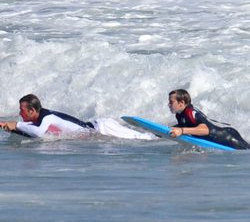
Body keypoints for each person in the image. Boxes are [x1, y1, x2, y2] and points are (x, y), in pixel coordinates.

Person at [0, 94, 153, 140]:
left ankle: (160, 136)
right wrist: (11, 128)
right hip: (98, 132)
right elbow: (36, 135)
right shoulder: (39, 121)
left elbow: (39, 133)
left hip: (103, 127)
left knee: (144, 139)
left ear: (32, 110)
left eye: (22, 110)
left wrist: (17, 125)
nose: (20, 114)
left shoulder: (47, 117)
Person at [168, 89, 250, 150]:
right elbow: (186, 125)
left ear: (181, 103)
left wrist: (181, 131)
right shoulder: (179, 115)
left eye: (171, 102)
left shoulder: (191, 113)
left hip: (228, 138)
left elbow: (205, 130)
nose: (169, 104)